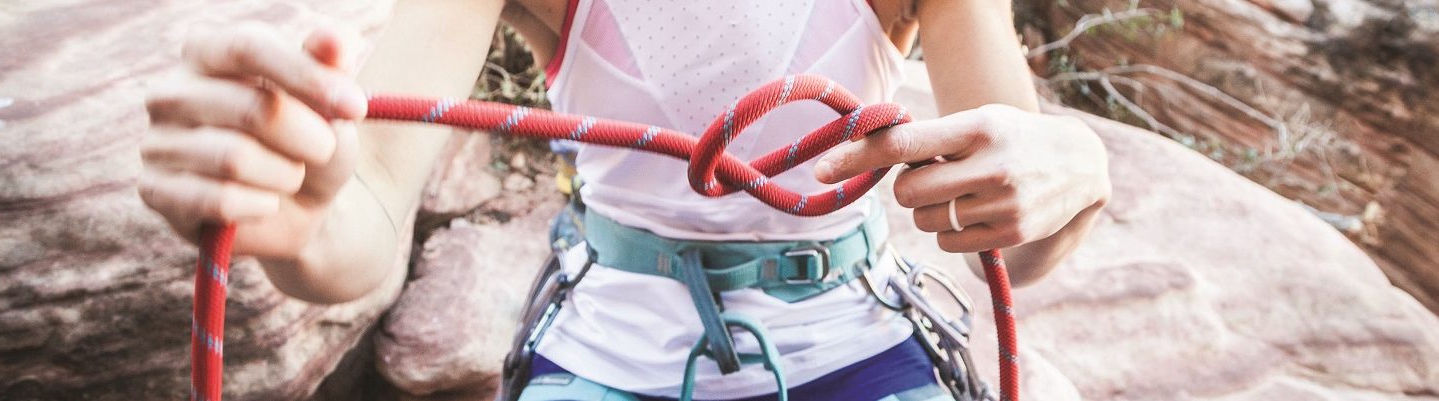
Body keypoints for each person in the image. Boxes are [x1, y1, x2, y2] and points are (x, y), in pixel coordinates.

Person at [139, 0, 1111, 399]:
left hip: (855, 352)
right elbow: (367, 217)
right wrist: (299, 218)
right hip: (608, 362)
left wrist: (1075, 171)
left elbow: (1018, 240)